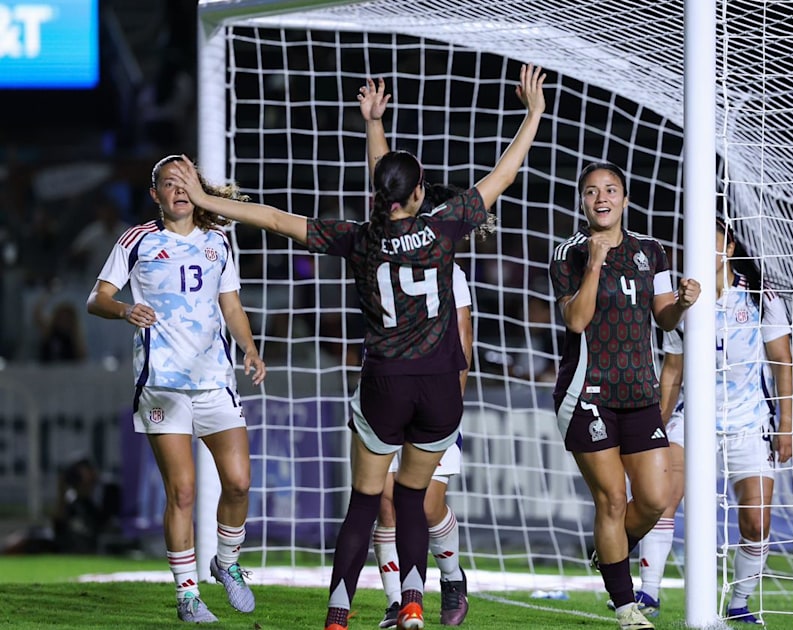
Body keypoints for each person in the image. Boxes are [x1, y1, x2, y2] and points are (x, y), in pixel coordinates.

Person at [164, 63, 546, 630]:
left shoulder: (360, 238)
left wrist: (206, 199)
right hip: (440, 387)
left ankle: (339, 615)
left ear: (378, 198)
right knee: (414, 499)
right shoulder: (444, 227)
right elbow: (505, 173)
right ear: (421, 193)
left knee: (367, 502)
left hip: (384, 383)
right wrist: (533, 112)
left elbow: (272, 218)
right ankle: (414, 605)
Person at [85, 155, 266, 624]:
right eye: (169, 183)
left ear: (196, 188)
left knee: (240, 483)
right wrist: (125, 310)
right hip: (162, 384)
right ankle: (187, 595)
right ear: (156, 195)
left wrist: (249, 347)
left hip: (214, 383)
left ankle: (225, 564)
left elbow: (232, 305)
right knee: (182, 492)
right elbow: (96, 298)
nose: (178, 190)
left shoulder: (218, 243)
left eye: (185, 181)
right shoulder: (138, 241)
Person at [548, 162, 701, 630]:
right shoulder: (568, 253)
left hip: (639, 393)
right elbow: (576, 321)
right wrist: (594, 262)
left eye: (611, 189)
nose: (602, 198)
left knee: (656, 500)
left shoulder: (651, 251)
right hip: (586, 393)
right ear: (582, 201)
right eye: (592, 191)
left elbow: (664, 319)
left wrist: (682, 302)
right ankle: (625, 605)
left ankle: (609, 553)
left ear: (625, 199)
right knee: (612, 500)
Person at [633, 219, 793, 625]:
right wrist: (657, 424)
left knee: (756, 523)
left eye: (714, 243)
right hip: (693, 420)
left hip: (749, 422)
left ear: (732, 247)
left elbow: (782, 360)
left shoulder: (760, 295)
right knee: (660, 500)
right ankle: (647, 595)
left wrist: (786, 424)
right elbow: (672, 370)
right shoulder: (681, 302)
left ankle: (740, 604)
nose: (705, 252)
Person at [376, 186, 474, 629]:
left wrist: (450, 405)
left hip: (433, 400)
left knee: (426, 506)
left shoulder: (450, 272)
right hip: (385, 392)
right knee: (385, 502)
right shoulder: (377, 256)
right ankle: (397, 603)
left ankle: (452, 579)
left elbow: (463, 344)